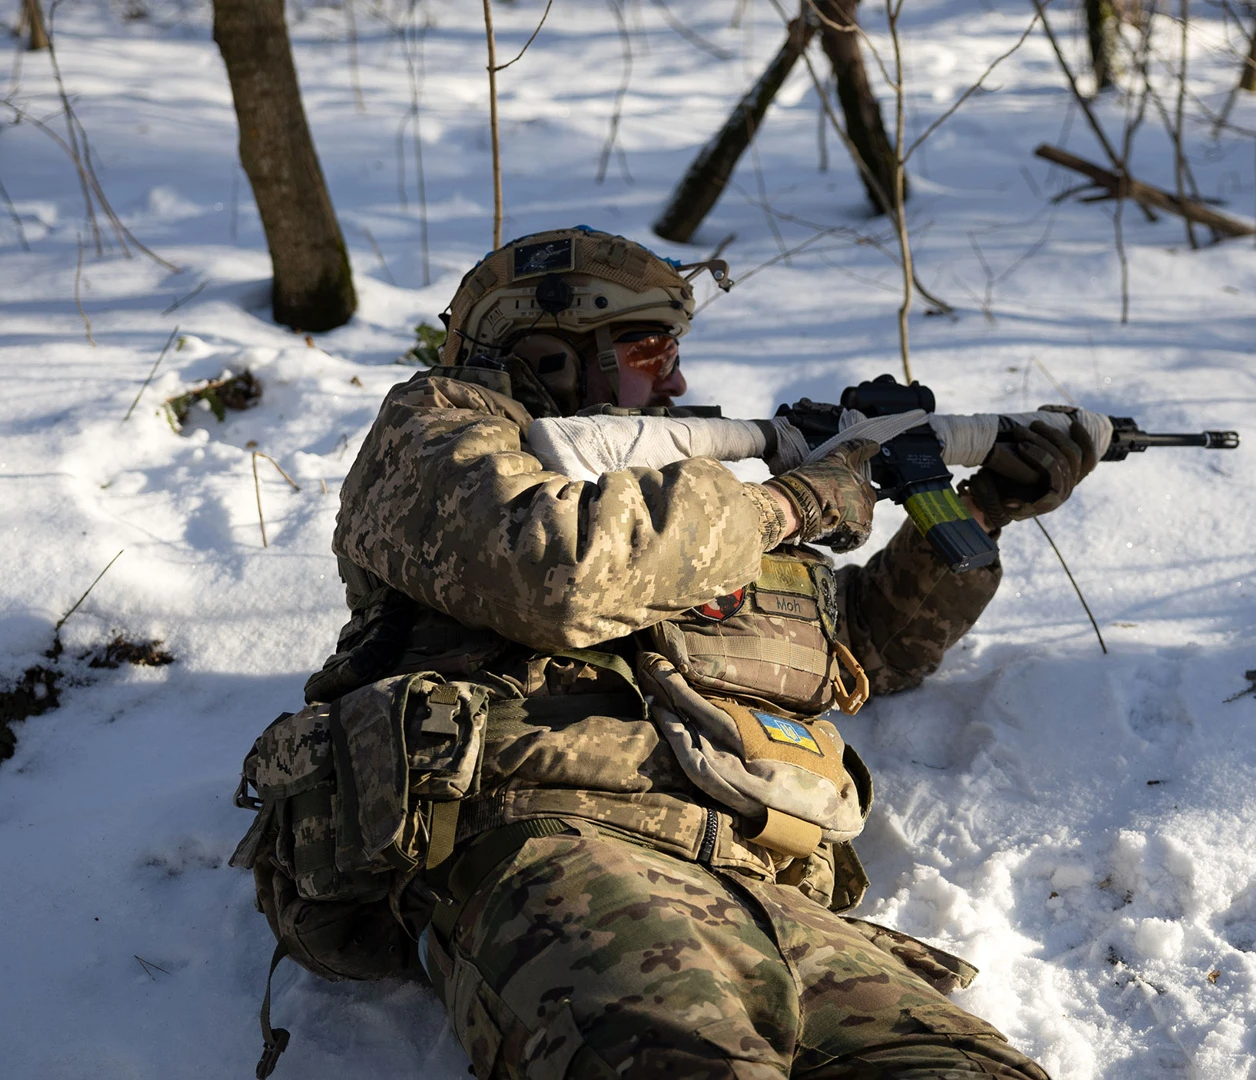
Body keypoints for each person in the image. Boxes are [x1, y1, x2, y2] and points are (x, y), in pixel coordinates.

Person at [296, 226, 1098, 1078]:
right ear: (549, 350)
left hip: (765, 876)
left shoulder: (690, 498)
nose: (675, 379)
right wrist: (788, 505)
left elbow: (857, 645)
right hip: (556, 839)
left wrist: (979, 512)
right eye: (649, 350)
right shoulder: (440, 431)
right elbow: (558, 572)